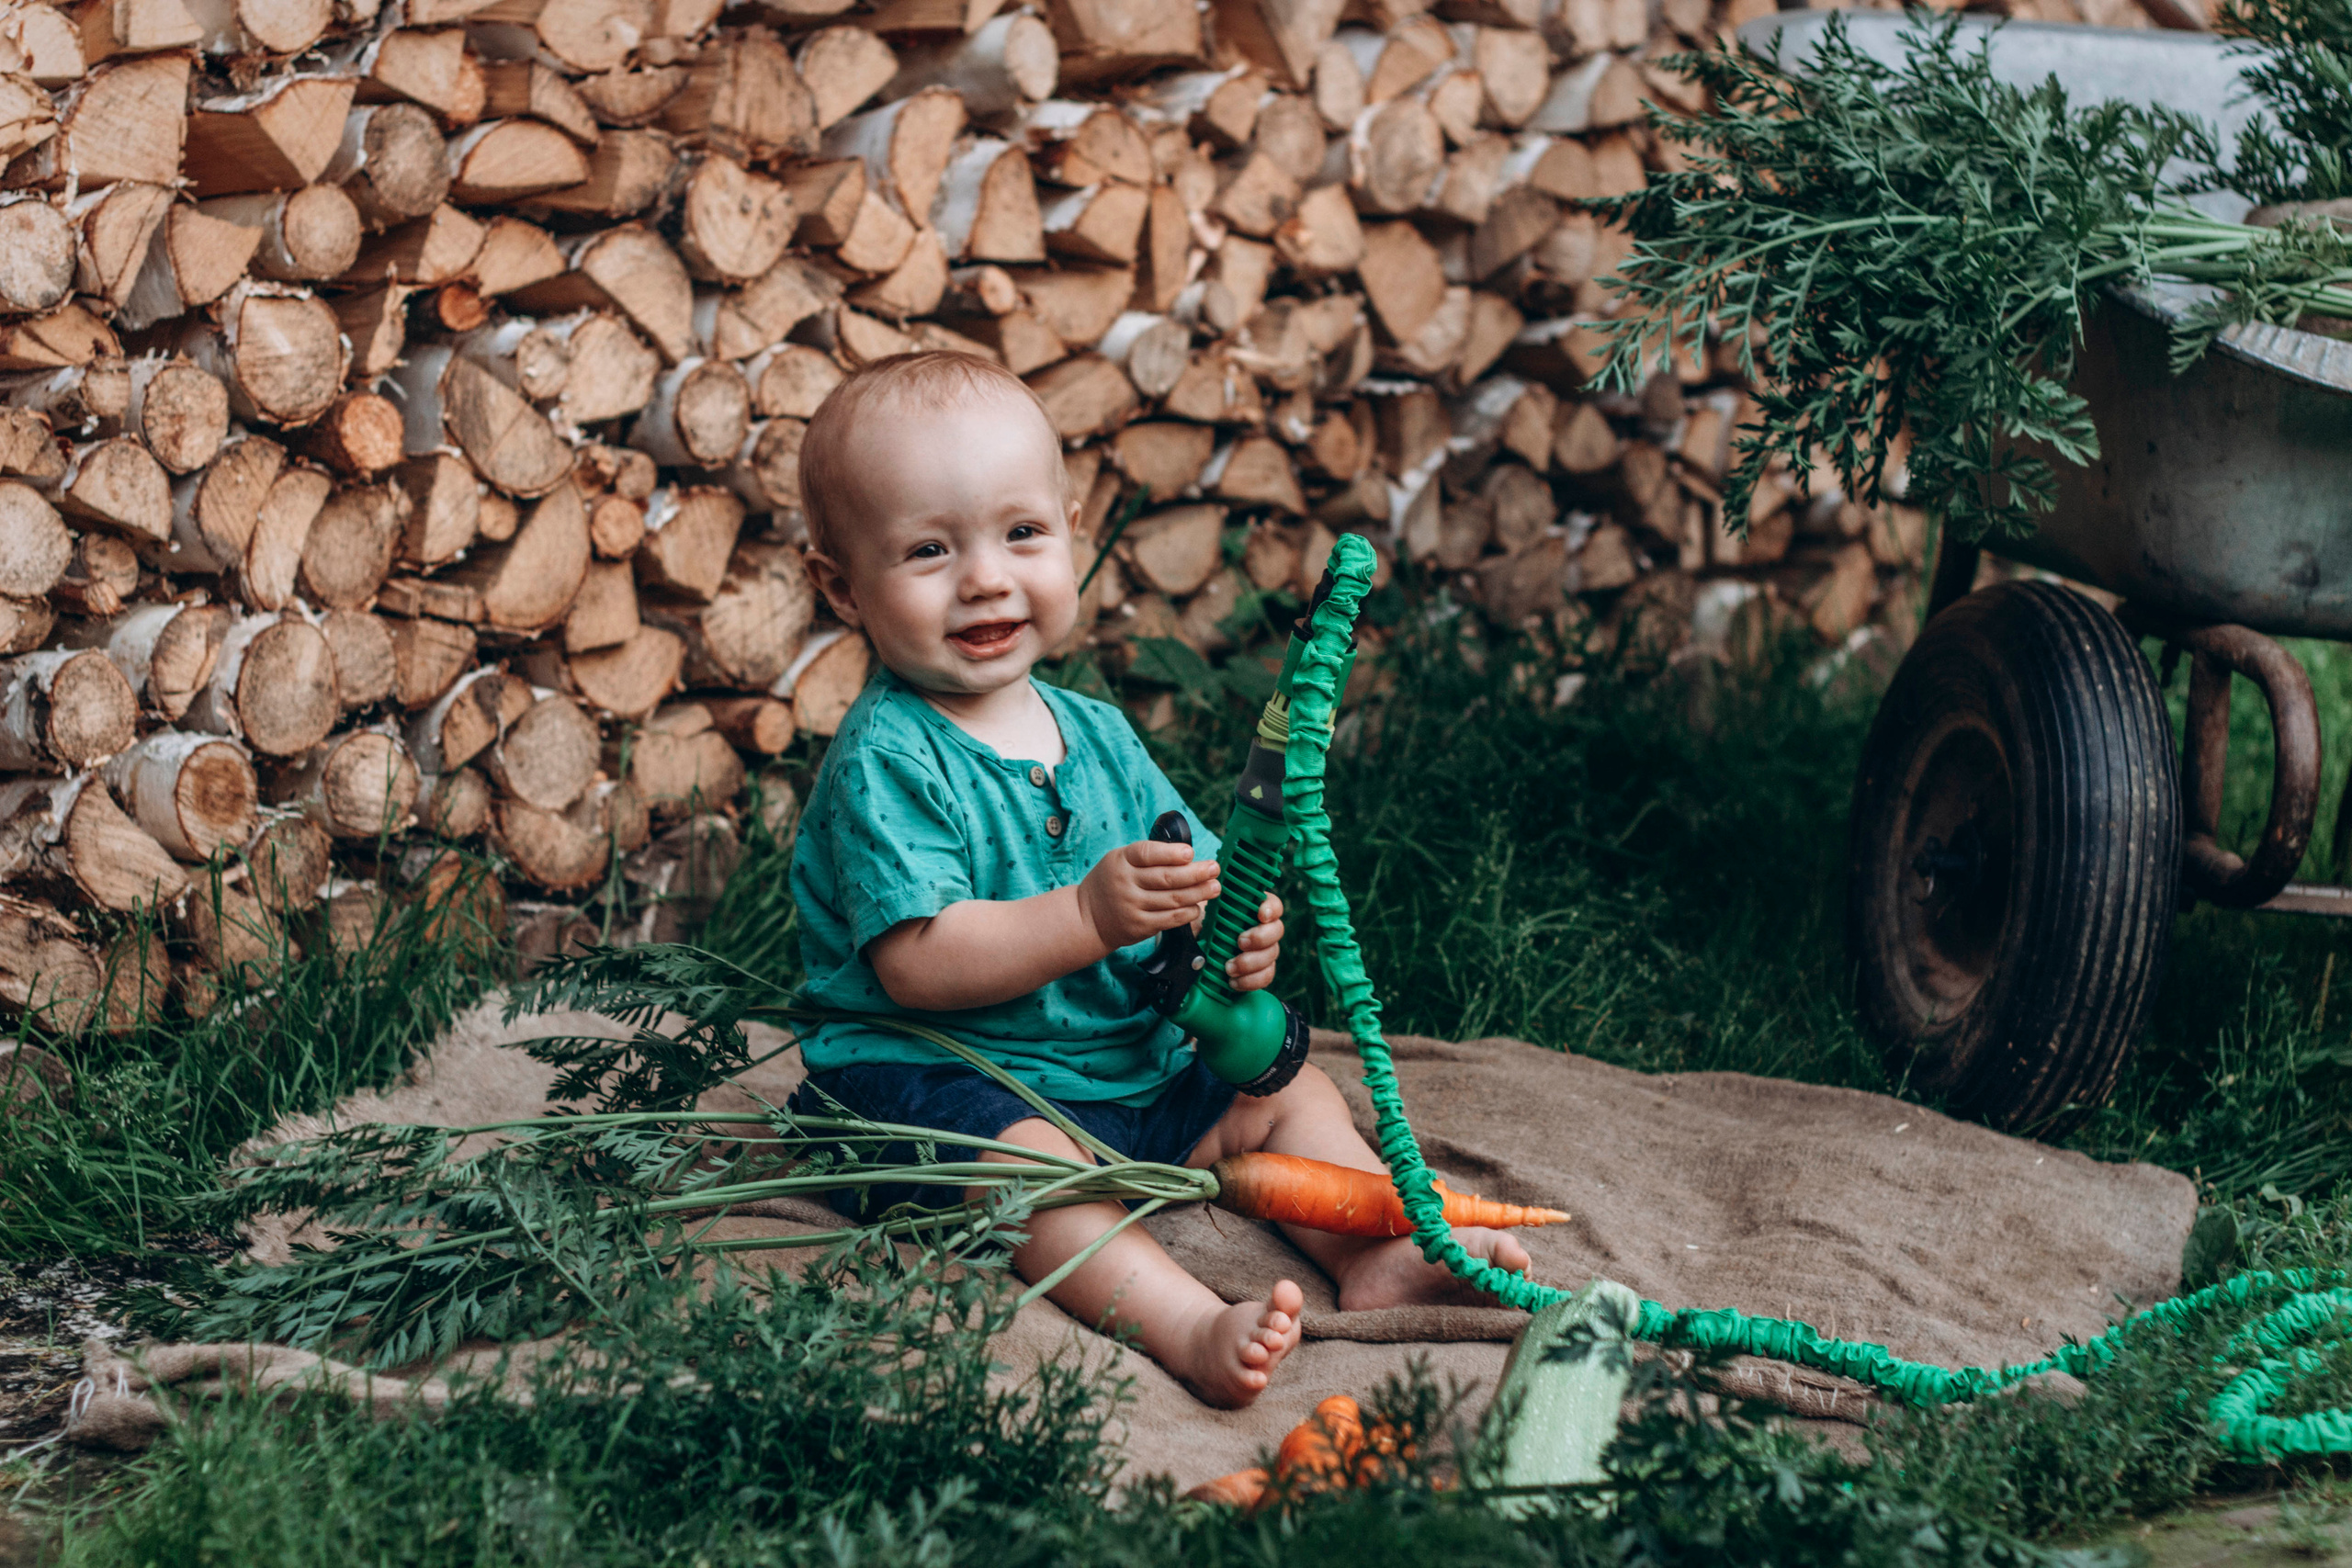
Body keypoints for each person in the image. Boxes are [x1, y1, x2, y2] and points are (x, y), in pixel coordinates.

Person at [785, 350, 1532, 1407]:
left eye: (1021, 534)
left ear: (1070, 528)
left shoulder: (1095, 731)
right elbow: (917, 964)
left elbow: (1186, 888)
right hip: (947, 1077)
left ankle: (1370, 1251)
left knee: (1290, 1093)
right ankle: (1183, 1322)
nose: (986, 578)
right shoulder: (888, 758)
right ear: (840, 586)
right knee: (1027, 1172)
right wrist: (1089, 913)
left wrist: (1235, 938)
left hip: (1122, 1062)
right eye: (927, 551)